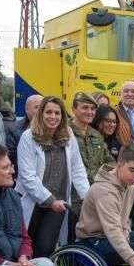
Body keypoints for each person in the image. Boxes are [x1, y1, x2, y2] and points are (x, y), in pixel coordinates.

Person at [15, 96, 89, 257]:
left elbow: (78, 169)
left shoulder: (68, 136)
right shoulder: (28, 137)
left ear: (63, 116)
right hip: (33, 203)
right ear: (40, 113)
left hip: (57, 205)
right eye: (48, 112)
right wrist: (49, 200)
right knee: (26, 249)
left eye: (57, 113)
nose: (53, 117)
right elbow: (28, 176)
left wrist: (88, 198)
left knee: (45, 249)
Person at [68, 91, 115, 242]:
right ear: (74, 109)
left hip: (94, 196)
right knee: (69, 239)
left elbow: (109, 162)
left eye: (92, 109)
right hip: (72, 197)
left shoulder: (96, 135)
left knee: (87, 240)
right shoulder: (64, 132)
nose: (89, 112)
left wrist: (104, 177)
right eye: (85, 108)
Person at [5, 94, 43, 169]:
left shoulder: (51, 129)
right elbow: (11, 159)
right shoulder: (13, 130)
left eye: (43, 108)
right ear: (27, 109)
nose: (40, 111)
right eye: (37, 107)